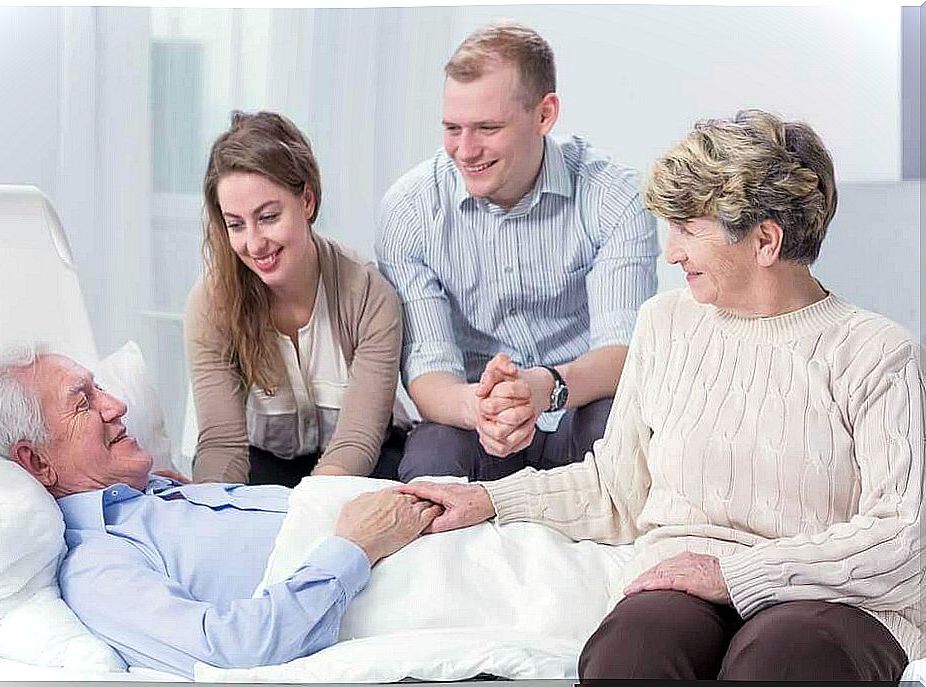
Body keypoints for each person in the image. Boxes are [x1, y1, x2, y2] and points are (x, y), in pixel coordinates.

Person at [399, 110, 923, 680]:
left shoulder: (877, 353)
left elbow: (903, 534)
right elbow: (616, 490)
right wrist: (490, 499)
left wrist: (735, 576)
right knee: (629, 656)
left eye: (688, 228)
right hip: (681, 580)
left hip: (834, 601)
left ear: (765, 240)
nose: (670, 252)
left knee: (779, 662)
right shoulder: (665, 322)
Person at [0, 346, 441, 679]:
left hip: (440, 528)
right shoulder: (98, 565)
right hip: (425, 578)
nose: (117, 404)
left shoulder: (162, 493)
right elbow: (229, 651)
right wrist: (354, 548)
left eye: (101, 387)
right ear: (36, 462)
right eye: (83, 402)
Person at [376, 20, 659, 482]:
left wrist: (543, 389)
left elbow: (623, 349)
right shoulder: (409, 210)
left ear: (544, 115)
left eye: (487, 128)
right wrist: (483, 409)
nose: (465, 151)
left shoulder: (614, 194)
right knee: (431, 461)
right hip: (473, 418)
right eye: (452, 128)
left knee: (620, 430)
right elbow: (430, 371)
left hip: (577, 404)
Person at [186, 111, 407, 486]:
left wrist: (307, 515)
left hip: (363, 466)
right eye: (236, 224)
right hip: (264, 465)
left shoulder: (369, 295)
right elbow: (222, 444)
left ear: (306, 200)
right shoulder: (211, 303)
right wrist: (211, 519)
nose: (254, 244)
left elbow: (357, 441)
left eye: (269, 217)